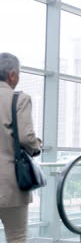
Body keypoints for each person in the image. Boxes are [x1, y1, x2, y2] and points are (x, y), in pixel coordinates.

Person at [0, 53, 41, 243]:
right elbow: (26, 137)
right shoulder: (19, 99)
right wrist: (37, 145)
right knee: (16, 237)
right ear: (12, 75)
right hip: (10, 183)